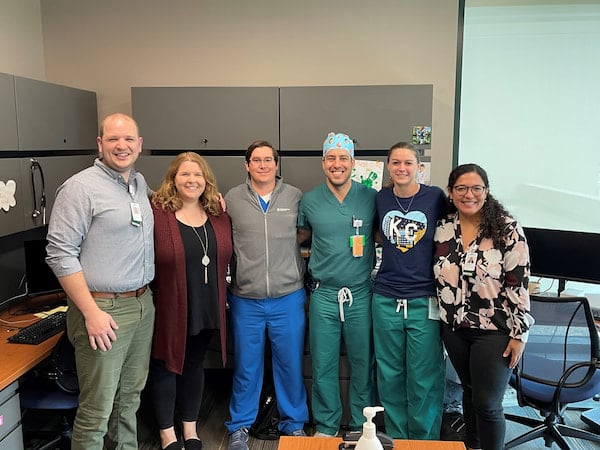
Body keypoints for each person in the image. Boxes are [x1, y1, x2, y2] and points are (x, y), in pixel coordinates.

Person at [46, 113, 155, 450]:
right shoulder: (80, 188)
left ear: (139, 145)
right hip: (102, 309)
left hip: (142, 305)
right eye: (112, 139)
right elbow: (59, 253)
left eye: (128, 140)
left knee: (129, 401)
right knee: (97, 410)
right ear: (100, 144)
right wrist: (91, 312)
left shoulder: (138, 184)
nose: (121, 146)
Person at [433, 163, 533, 450]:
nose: (469, 195)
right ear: (451, 193)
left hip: (495, 330)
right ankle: (472, 446)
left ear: (486, 192)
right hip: (454, 328)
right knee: (470, 391)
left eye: (477, 188)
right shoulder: (443, 227)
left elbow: (519, 283)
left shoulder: (506, 228)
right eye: (461, 188)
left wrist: (520, 334)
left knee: (488, 403)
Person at [224, 140, 308, 450]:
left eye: (268, 160)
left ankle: (294, 424)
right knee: (247, 366)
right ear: (247, 165)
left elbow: (302, 232)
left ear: (276, 165)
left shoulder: (295, 197)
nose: (262, 165)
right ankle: (239, 426)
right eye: (256, 160)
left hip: (288, 296)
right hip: (246, 298)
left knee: (290, 363)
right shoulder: (232, 199)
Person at [149, 152, 233, 450]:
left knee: (194, 364)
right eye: (184, 174)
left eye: (197, 175)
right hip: (170, 306)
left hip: (207, 304)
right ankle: (166, 433)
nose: (192, 180)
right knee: (166, 366)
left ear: (206, 180)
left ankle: (189, 428)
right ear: (173, 180)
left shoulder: (218, 214)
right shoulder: (158, 212)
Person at [298, 132, 376, 437]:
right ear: (323, 163)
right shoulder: (310, 200)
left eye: (343, 158)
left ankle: (360, 426)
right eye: (331, 158)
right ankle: (327, 426)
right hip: (323, 295)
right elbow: (301, 237)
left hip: (360, 294)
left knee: (362, 364)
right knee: (323, 365)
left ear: (353, 163)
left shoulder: (370, 198)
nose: (337, 164)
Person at [372, 142, 446, 439]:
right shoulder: (380, 198)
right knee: (390, 375)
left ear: (419, 167)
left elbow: (468, 213)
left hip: (424, 298)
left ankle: (424, 442)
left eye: (408, 163)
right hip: (386, 296)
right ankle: (397, 440)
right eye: (395, 163)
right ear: (388, 167)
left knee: (423, 377)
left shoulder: (435, 197)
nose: (401, 168)